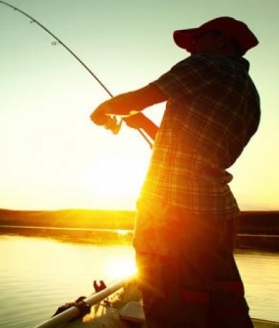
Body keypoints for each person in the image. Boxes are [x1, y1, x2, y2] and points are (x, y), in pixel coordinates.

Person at [90, 16, 260, 328]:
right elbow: (195, 151)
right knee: (222, 302)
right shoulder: (250, 94)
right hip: (218, 213)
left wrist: (103, 109)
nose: (192, 48)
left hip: (174, 210)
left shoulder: (208, 65)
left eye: (199, 39)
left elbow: (141, 98)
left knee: (169, 301)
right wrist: (142, 123)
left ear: (222, 41)